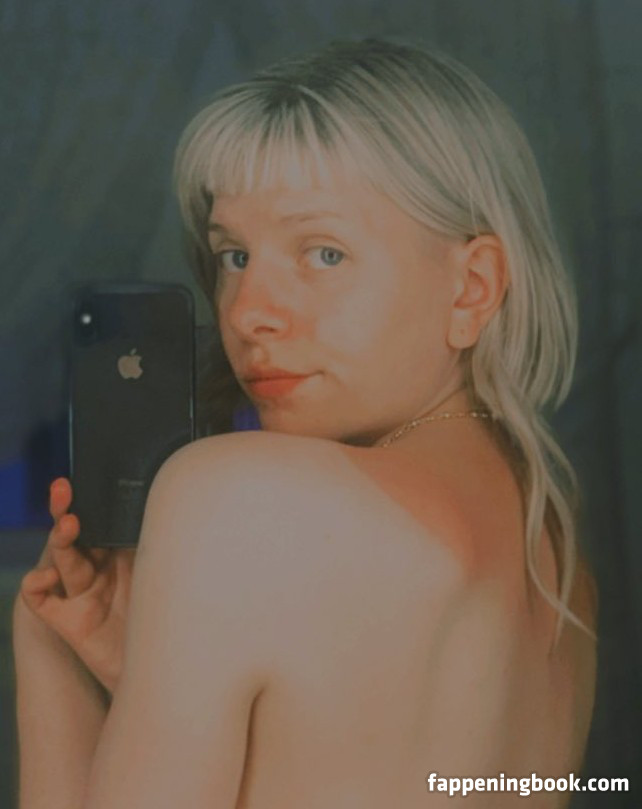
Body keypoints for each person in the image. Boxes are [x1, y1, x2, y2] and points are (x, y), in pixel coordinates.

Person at [13, 37, 597, 809]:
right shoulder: (557, 563)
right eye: (233, 257)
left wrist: (45, 657)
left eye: (323, 254)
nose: (248, 313)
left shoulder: (234, 496)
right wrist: (147, 666)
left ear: (472, 288)